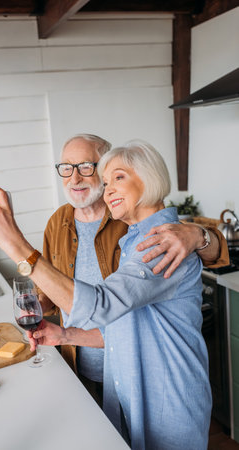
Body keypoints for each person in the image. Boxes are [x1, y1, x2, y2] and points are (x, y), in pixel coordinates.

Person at [0, 140, 225, 450]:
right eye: (106, 182)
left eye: (117, 177)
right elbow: (121, 328)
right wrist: (65, 334)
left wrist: (15, 245)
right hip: (131, 391)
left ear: (150, 178)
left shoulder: (163, 241)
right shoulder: (133, 240)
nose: (107, 190)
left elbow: (102, 305)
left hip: (166, 398)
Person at [30, 134, 228, 405]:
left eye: (86, 167)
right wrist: (39, 306)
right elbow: (49, 290)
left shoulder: (133, 219)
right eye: (67, 168)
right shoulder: (58, 222)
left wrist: (197, 234)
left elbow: (215, 254)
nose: (74, 178)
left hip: (137, 370)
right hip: (78, 362)